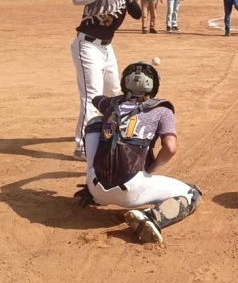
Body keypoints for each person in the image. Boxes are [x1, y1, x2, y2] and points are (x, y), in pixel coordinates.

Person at [74, 61, 202, 244]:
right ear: (154, 86)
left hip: (96, 189)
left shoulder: (111, 103)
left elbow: (96, 99)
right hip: (132, 190)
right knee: (192, 193)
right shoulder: (162, 110)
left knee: (95, 122)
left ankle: (91, 179)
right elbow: (170, 147)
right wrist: (151, 169)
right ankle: (153, 218)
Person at [70, 0, 143, 161]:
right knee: (92, 97)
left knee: (114, 93)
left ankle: (111, 130)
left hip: (107, 47)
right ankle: (82, 147)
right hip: (87, 45)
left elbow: (137, 14)